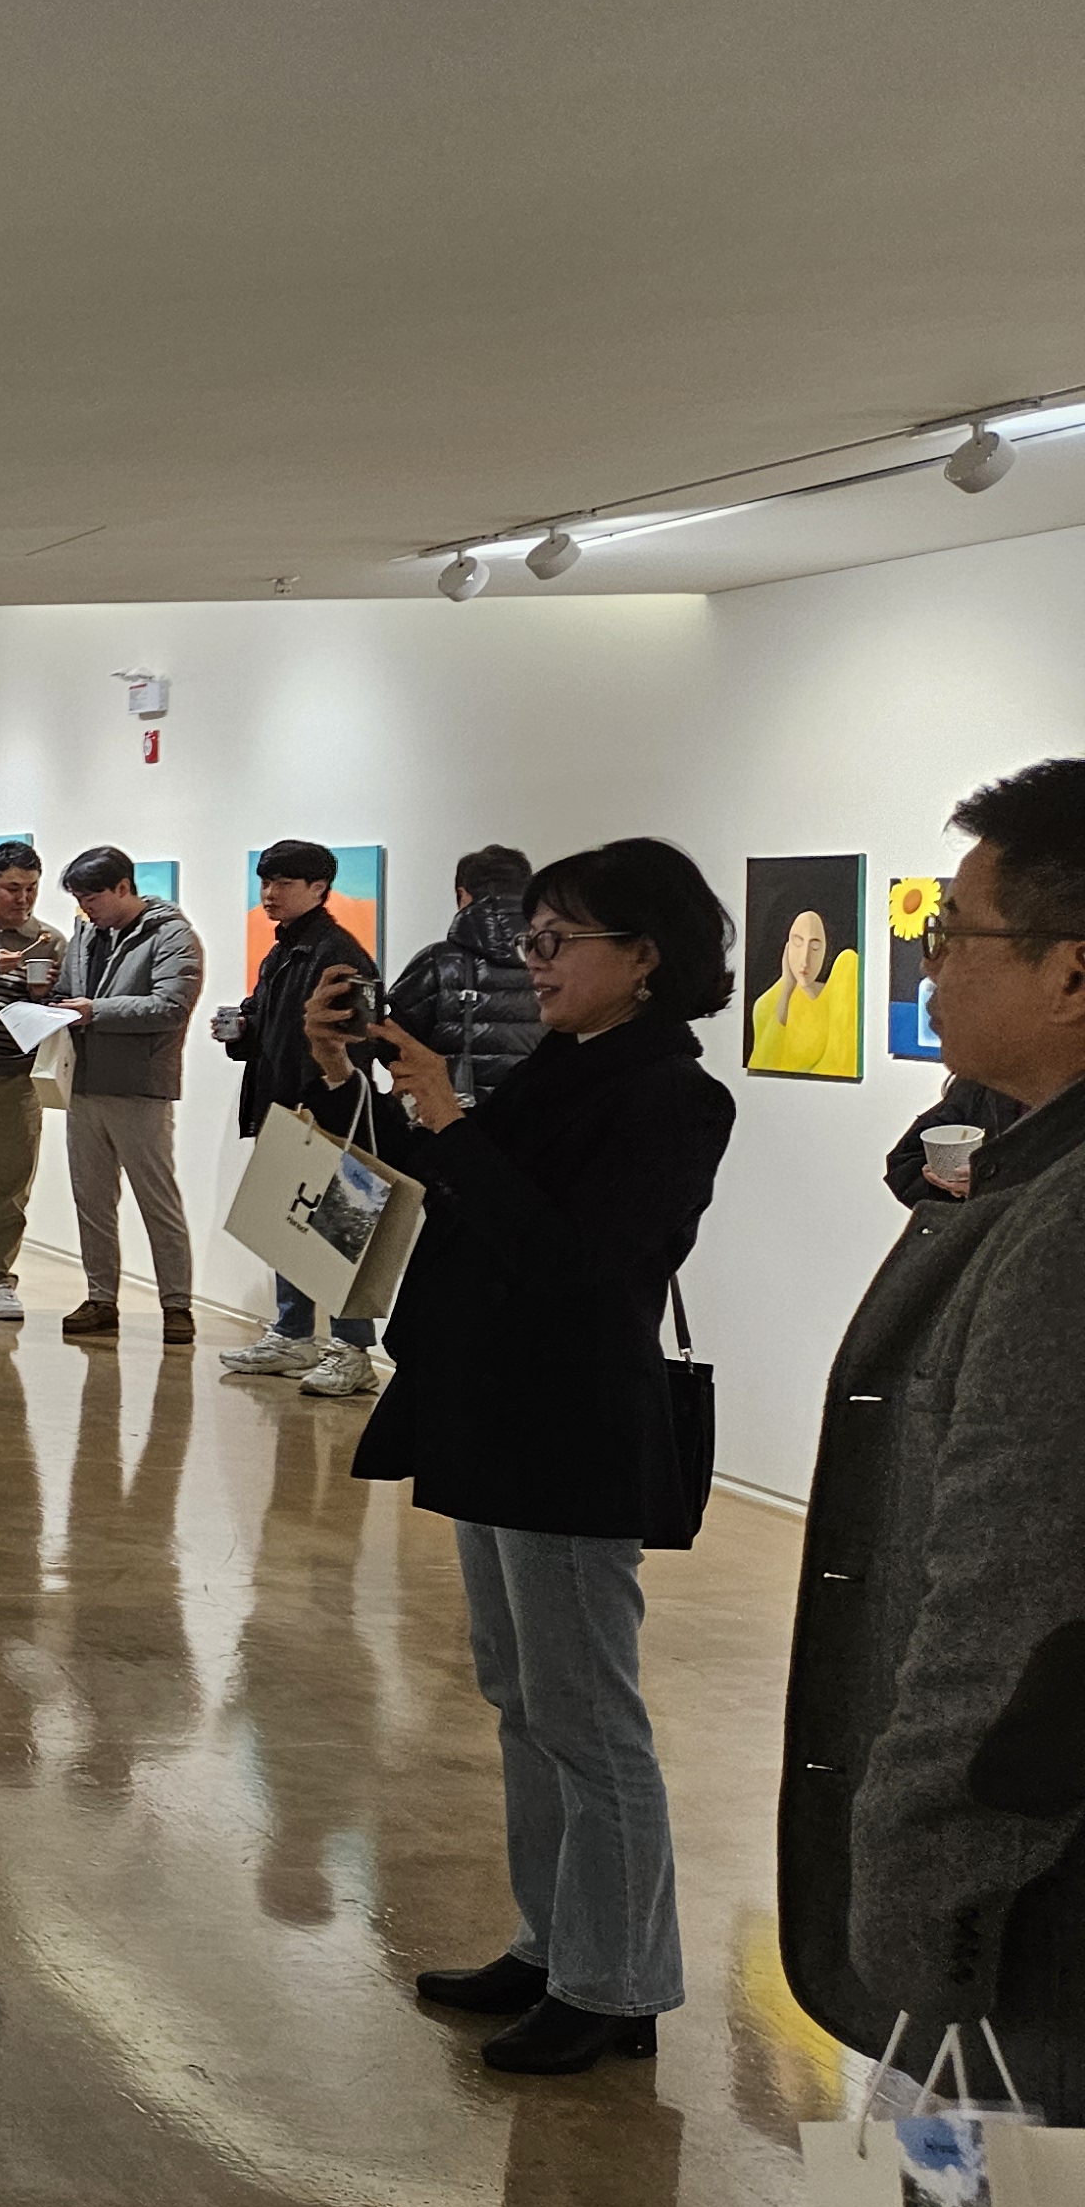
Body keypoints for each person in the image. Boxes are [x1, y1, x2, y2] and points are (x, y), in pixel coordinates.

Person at [307, 840, 737, 2076]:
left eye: (555, 943)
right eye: (529, 939)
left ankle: (616, 1985)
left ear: (643, 958)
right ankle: (554, 1946)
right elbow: (459, 1189)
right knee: (521, 1701)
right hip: (496, 1414)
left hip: (570, 1430)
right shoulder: (568, 1062)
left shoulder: (673, 1096)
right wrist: (358, 1083)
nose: (531, 963)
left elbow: (578, 1269)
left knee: (588, 1718)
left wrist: (450, 1116)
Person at [785, 759, 1085, 2204]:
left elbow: (1014, 1601)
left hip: (1029, 1931)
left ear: (1072, 974)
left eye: (953, 933)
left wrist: (918, 1895)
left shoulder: (1066, 1235)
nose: (928, 963)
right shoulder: (1018, 1171)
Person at [220, 838, 382, 1397]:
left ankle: (352, 1351)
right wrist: (242, 1030)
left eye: (283, 883)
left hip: (329, 1112)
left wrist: (326, 1095)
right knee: (288, 1226)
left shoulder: (339, 955)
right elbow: (269, 1025)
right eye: (265, 882)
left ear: (319, 888)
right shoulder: (284, 951)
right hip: (286, 1107)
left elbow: (359, 1038)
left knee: (338, 1231)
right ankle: (292, 1335)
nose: (269, 894)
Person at [47, 847, 205, 1346]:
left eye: (92, 897)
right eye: (78, 899)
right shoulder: (84, 934)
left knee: (157, 1201)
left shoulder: (171, 934)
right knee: (91, 1200)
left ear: (123, 887)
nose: (85, 908)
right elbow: (70, 992)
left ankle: (177, 1305)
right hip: (83, 1085)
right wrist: (49, 1002)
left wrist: (95, 1012)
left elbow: (171, 1006)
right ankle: (100, 1298)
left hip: (140, 1088)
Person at [0, 841, 65, 1324]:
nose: (22, 898)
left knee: (7, 1190)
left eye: (31, 888)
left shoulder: (49, 942)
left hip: (15, 1079)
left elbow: (66, 1009)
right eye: (11, 888)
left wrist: (46, 998)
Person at [391, 845, 542, 1104]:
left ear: (463, 894)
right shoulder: (553, 960)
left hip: (451, 1112)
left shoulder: (438, 962)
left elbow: (393, 1040)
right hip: (537, 1112)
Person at [748, 895, 865, 1076]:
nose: (805, 960)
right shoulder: (765, 1005)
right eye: (797, 942)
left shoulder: (844, 979)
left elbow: (841, 1065)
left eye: (815, 947)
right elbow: (759, 1068)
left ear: (828, 948)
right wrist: (787, 990)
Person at [885, 1072, 1029, 1206]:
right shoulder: (980, 1082)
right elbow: (906, 1166)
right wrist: (951, 1182)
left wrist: (992, 1184)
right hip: (976, 1217)